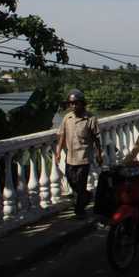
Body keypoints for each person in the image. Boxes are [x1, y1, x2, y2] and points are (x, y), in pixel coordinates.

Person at [55, 89, 102, 217]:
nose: (74, 106)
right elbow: (62, 135)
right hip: (70, 157)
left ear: (82, 103)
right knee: (71, 180)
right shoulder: (67, 117)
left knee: (81, 184)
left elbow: (96, 138)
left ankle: (80, 210)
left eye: (76, 103)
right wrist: (58, 152)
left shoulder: (90, 118)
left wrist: (99, 153)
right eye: (71, 103)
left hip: (84, 157)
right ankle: (86, 195)